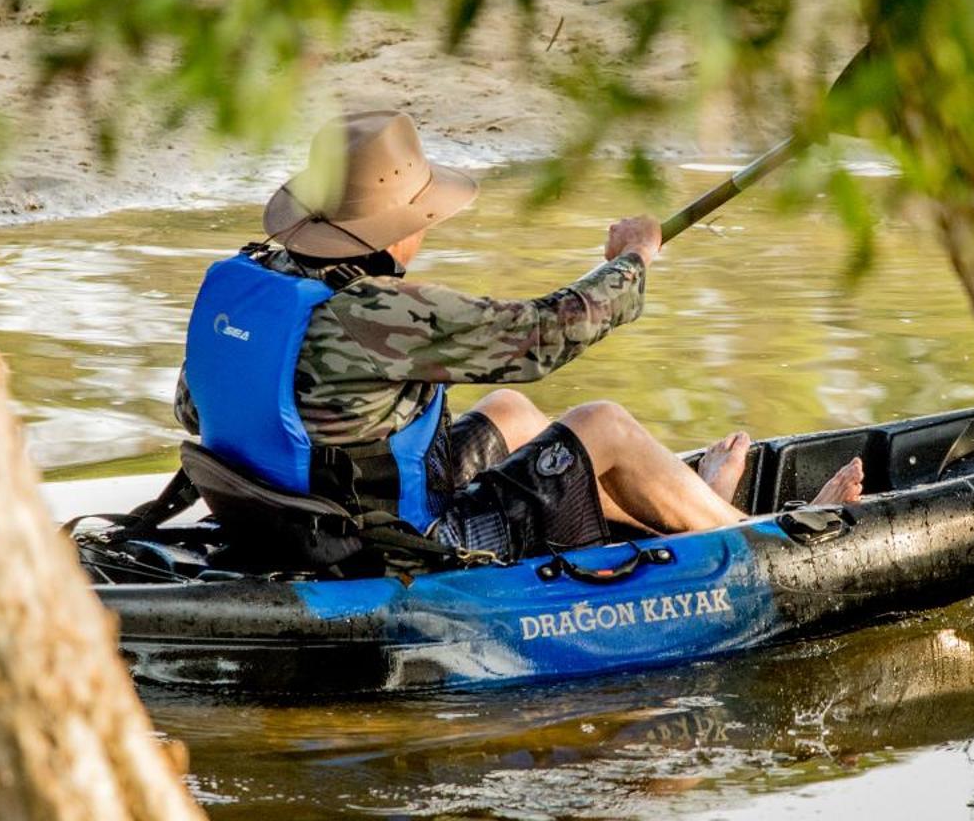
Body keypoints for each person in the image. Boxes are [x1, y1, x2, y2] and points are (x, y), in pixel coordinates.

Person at [176, 109, 863, 562]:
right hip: (390, 543)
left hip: (294, 515)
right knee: (605, 424)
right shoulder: (379, 316)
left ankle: (687, 507)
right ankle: (761, 539)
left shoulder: (247, 280)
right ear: (394, 225)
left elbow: (194, 407)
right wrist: (632, 260)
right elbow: (543, 337)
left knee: (509, 411)